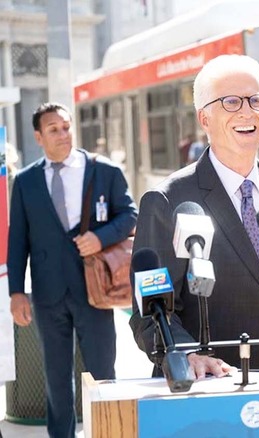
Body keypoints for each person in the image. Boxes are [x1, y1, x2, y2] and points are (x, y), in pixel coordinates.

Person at [129, 55, 259, 378]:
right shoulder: (167, 199)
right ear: (204, 118)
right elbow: (148, 310)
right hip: (213, 386)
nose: (247, 111)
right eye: (231, 102)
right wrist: (186, 354)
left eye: (255, 100)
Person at [8, 102, 137, 438]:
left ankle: (107, 433)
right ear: (38, 136)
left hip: (96, 291)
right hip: (47, 295)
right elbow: (17, 239)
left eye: (66, 127)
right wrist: (17, 293)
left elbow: (130, 216)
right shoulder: (25, 182)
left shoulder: (104, 171)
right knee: (56, 378)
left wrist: (100, 236)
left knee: (102, 375)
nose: (63, 134)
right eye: (53, 129)